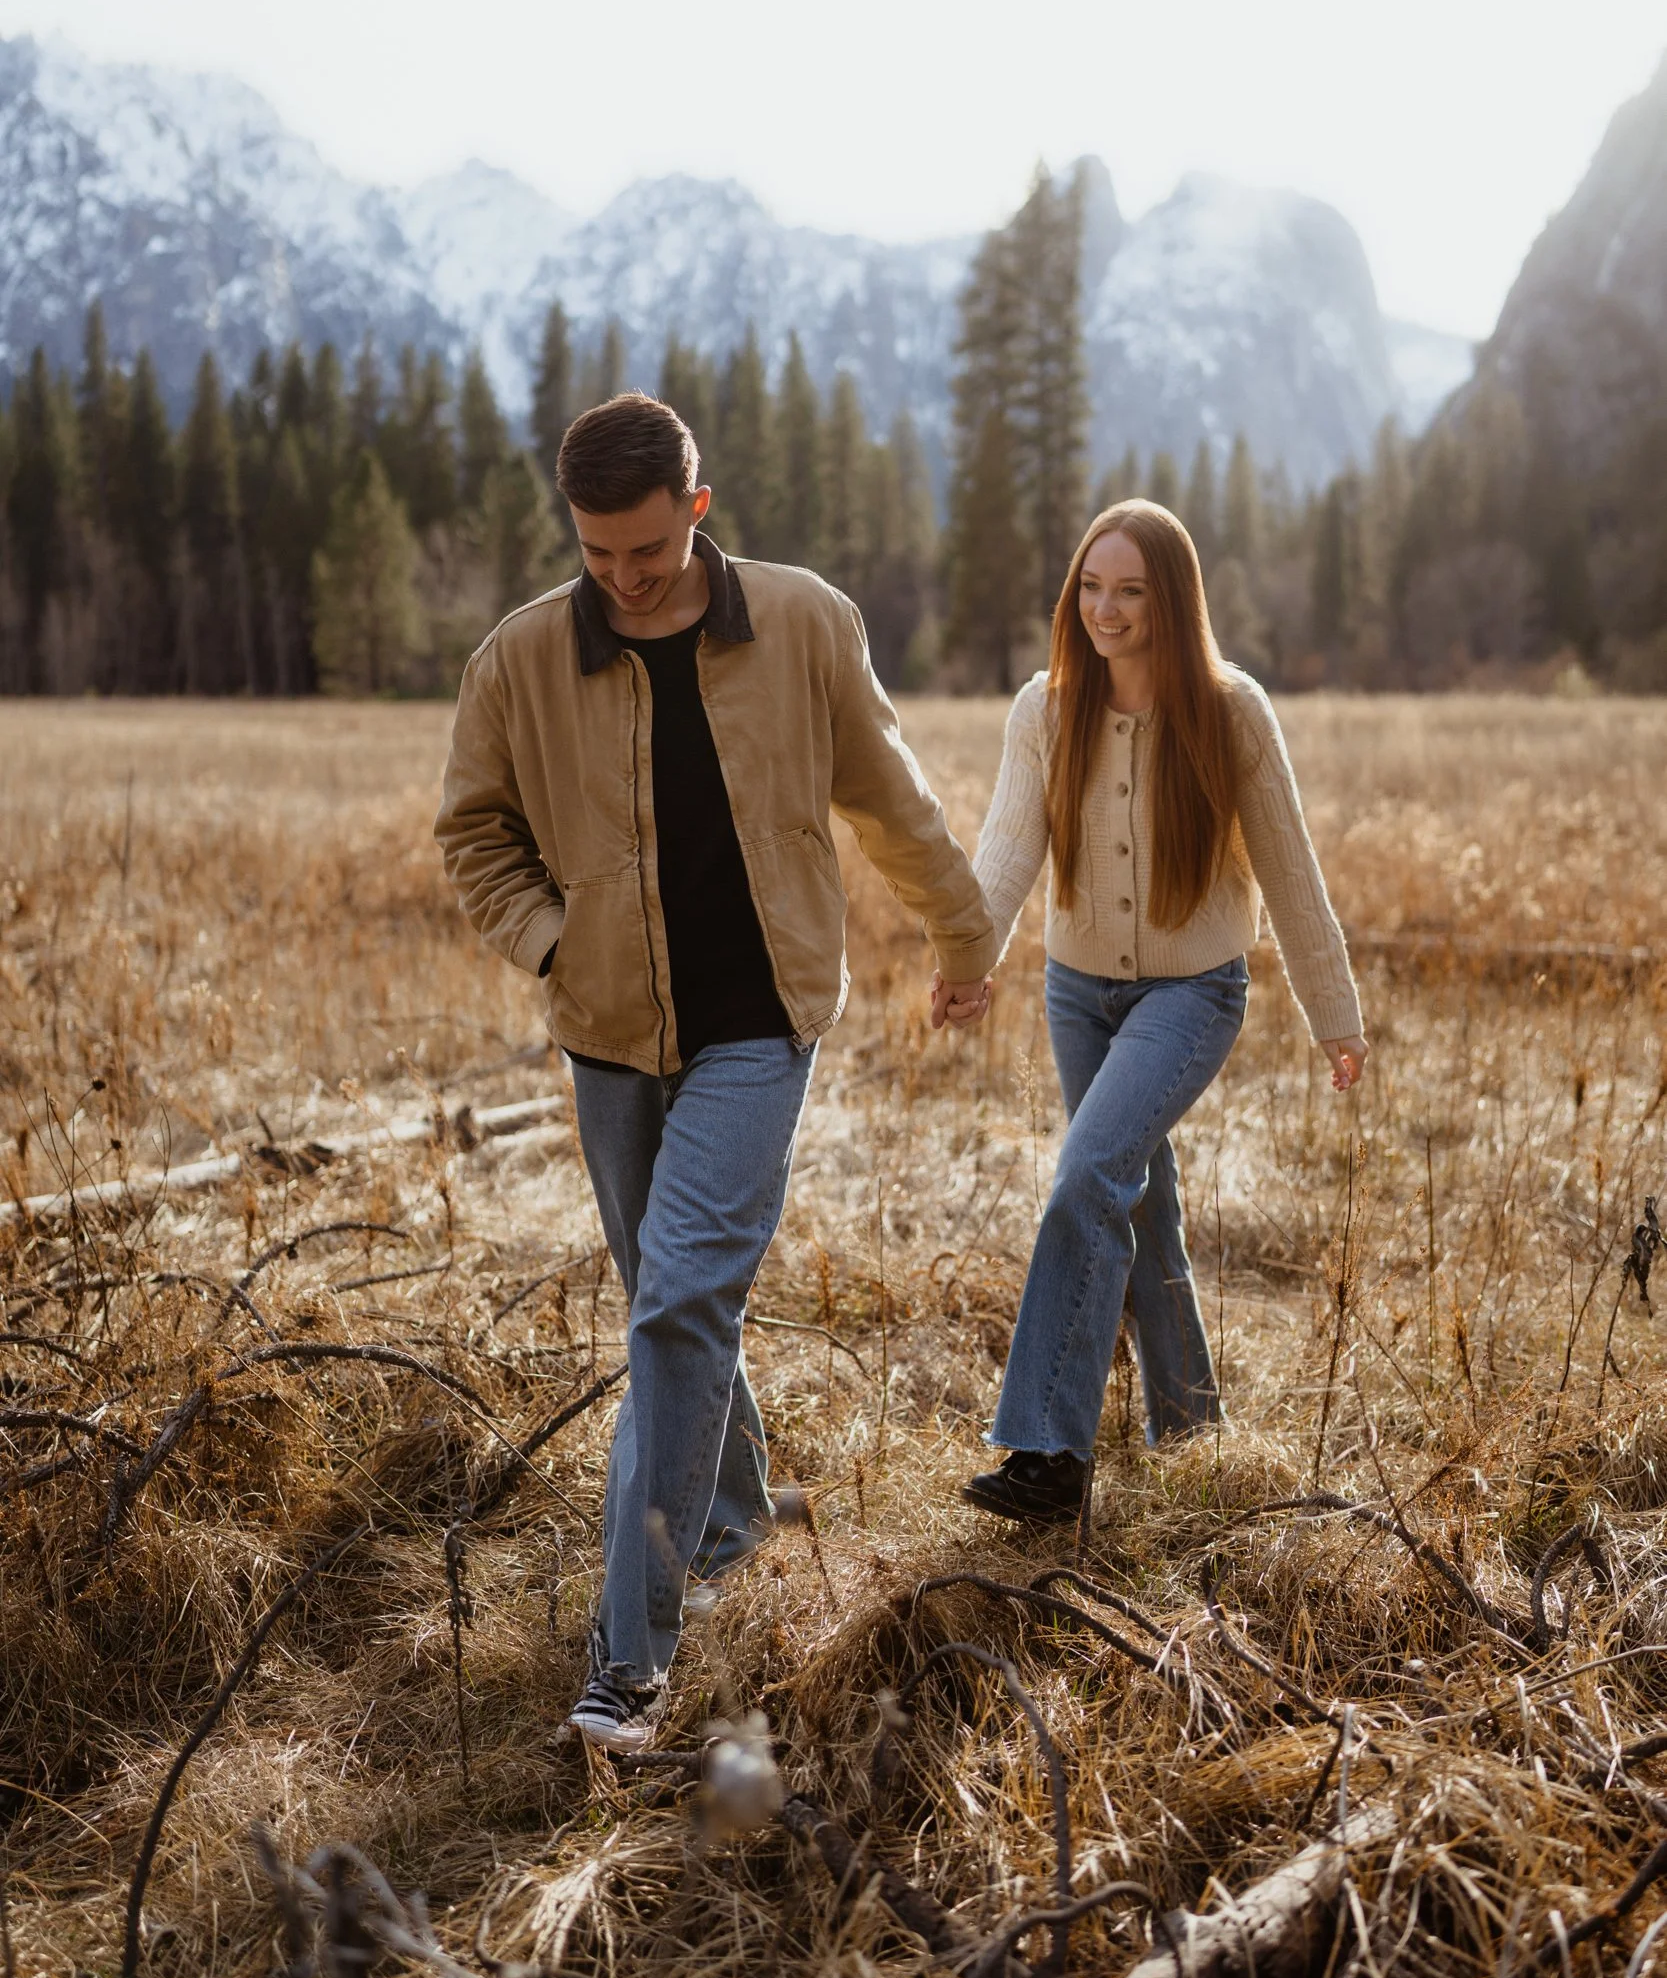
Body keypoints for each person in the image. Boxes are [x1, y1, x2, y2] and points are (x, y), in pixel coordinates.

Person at [435, 391, 996, 1748]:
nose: (623, 576)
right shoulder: (516, 660)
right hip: (608, 1027)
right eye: (595, 552)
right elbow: (472, 834)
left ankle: (627, 1659)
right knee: (666, 1299)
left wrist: (963, 928)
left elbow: (886, 791)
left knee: (678, 1301)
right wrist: (553, 941)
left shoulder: (802, 621)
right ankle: (736, 1516)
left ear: (695, 507)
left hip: (762, 1020)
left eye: (646, 546)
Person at [955, 501, 1367, 1522]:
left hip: (1193, 993)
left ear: (1169, 599)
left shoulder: (1231, 713)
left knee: (1087, 1176)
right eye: (1089, 587)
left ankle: (1049, 1454)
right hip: (1074, 994)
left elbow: (1290, 872)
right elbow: (1006, 852)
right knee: (1138, 1199)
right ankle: (1186, 1425)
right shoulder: (1042, 711)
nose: (1103, 609)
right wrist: (964, 958)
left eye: (1128, 590)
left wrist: (1335, 1013)